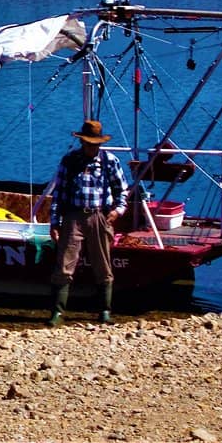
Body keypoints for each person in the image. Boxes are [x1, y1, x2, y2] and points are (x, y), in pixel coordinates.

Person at [47, 119, 129, 326]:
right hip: (73, 217)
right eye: (89, 143)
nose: (93, 147)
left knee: (102, 265)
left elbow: (122, 190)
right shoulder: (70, 161)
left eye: (96, 143)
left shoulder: (110, 161)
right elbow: (59, 193)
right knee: (65, 265)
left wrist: (117, 211)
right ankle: (57, 313)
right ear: (82, 142)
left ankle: (104, 311)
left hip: (100, 216)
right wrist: (55, 222)